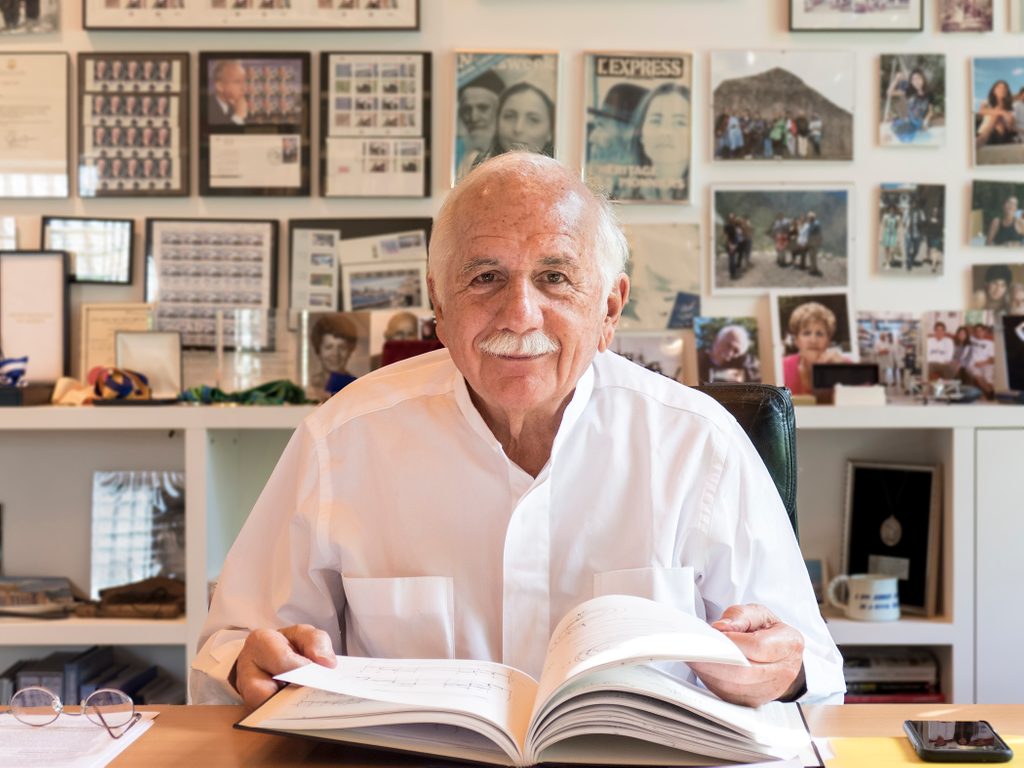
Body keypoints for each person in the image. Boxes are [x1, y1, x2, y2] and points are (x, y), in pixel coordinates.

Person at [190, 153, 844, 710]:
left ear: (609, 307)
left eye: (555, 277)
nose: (520, 313)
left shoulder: (701, 446)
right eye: (485, 278)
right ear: (438, 305)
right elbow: (231, 649)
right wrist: (255, 660)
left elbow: (815, 670)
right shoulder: (342, 442)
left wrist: (779, 672)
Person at [619, 82, 690, 202]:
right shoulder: (621, 194)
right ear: (641, 134)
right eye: (656, 121)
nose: (665, 132)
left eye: (680, 122)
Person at [473, 82, 555, 168]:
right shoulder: (478, 169)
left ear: (550, 131)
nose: (518, 128)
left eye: (533, 120)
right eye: (510, 116)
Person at [782, 301, 849, 396]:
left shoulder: (843, 364)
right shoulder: (782, 367)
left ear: (828, 340)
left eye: (819, 334)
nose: (813, 340)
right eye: (806, 333)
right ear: (797, 340)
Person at [454, 70, 504, 181]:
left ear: (499, 111)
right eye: (467, 109)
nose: (473, 117)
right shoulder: (456, 152)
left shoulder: (511, 151)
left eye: (483, 108)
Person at [310, 314, 359, 399]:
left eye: (342, 347)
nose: (335, 354)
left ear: (350, 350)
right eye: (329, 347)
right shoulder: (309, 385)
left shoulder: (356, 386)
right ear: (318, 350)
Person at [697, 324, 761, 384]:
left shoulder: (744, 364)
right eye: (728, 345)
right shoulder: (697, 358)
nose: (730, 353)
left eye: (736, 351)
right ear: (717, 339)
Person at [887, 68, 934, 144]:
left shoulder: (929, 94)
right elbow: (890, 92)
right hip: (907, 121)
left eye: (918, 78)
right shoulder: (909, 91)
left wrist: (925, 122)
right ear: (911, 82)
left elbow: (930, 112)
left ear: (923, 79)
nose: (916, 81)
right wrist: (896, 79)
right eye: (913, 79)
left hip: (918, 123)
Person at [976, 80, 1017, 151]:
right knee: (995, 116)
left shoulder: (1011, 106)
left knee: (998, 117)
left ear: (1007, 92)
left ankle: (980, 141)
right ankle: (981, 140)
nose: (1002, 90)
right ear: (994, 90)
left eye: (1005, 88)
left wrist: (1010, 121)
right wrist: (1002, 112)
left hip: (1004, 134)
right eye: (999, 87)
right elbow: (982, 111)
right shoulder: (987, 101)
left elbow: (1011, 127)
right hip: (986, 132)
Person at [209, 59, 248, 126]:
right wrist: (238, 117)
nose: (244, 88)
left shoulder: (241, 106)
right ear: (220, 86)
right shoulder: (207, 108)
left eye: (244, 81)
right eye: (237, 82)